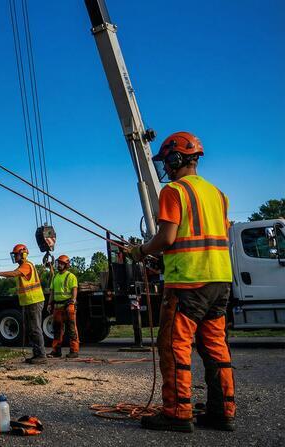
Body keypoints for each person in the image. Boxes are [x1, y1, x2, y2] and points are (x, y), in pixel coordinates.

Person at [129, 131, 235, 433]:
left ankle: (177, 412)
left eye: (168, 161)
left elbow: (168, 237)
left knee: (174, 346)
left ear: (176, 159)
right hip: (220, 281)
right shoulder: (218, 195)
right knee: (216, 348)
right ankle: (223, 412)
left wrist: (141, 250)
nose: (167, 168)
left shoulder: (174, 192)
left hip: (188, 282)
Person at [0, 244, 46, 364]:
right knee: (31, 329)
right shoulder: (24, 266)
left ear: (23, 254)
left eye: (16, 254)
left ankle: (41, 355)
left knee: (35, 329)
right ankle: (36, 354)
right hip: (29, 302)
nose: (15, 257)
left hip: (34, 301)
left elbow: (14, 273)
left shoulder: (27, 266)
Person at [47, 255, 79, 359]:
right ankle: (56, 351)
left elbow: (74, 289)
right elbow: (52, 292)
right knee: (57, 330)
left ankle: (74, 351)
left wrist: (73, 301)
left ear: (66, 265)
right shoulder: (55, 277)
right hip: (57, 306)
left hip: (68, 305)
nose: (59, 265)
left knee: (71, 329)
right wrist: (49, 304)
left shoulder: (71, 276)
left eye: (61, 263)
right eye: (58, 263)